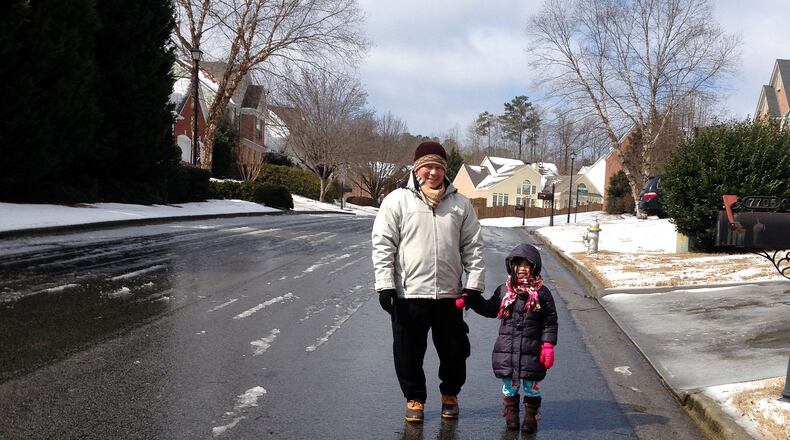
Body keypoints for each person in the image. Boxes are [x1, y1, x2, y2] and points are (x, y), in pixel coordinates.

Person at [371, 141, 485, 423]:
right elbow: (383, 244)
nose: (432, 172)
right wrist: (386, 285)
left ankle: (450, 395)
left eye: (438, 167)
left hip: (449, 294)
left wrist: (473, 285)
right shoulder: (397, 200)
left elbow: (474, 247)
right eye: (427, 166)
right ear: (416, 168)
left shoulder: (461, 204)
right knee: (408, 352)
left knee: (455, 352)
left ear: (445, 170)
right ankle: (415, 399)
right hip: (409, 293)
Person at [461, 243, 558, 433]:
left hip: (532, 349)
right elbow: (491, 309)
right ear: (511, 266)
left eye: (527, 265)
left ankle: (530, 417)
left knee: (531, 385)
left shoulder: (542, 293)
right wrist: (472, 300)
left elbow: (550, 321)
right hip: (507, 347)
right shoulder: (505, 291)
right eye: (518, 264)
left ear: (534, 267)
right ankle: (511, 414)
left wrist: (548, 344)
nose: (522, 269)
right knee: (509, 385)